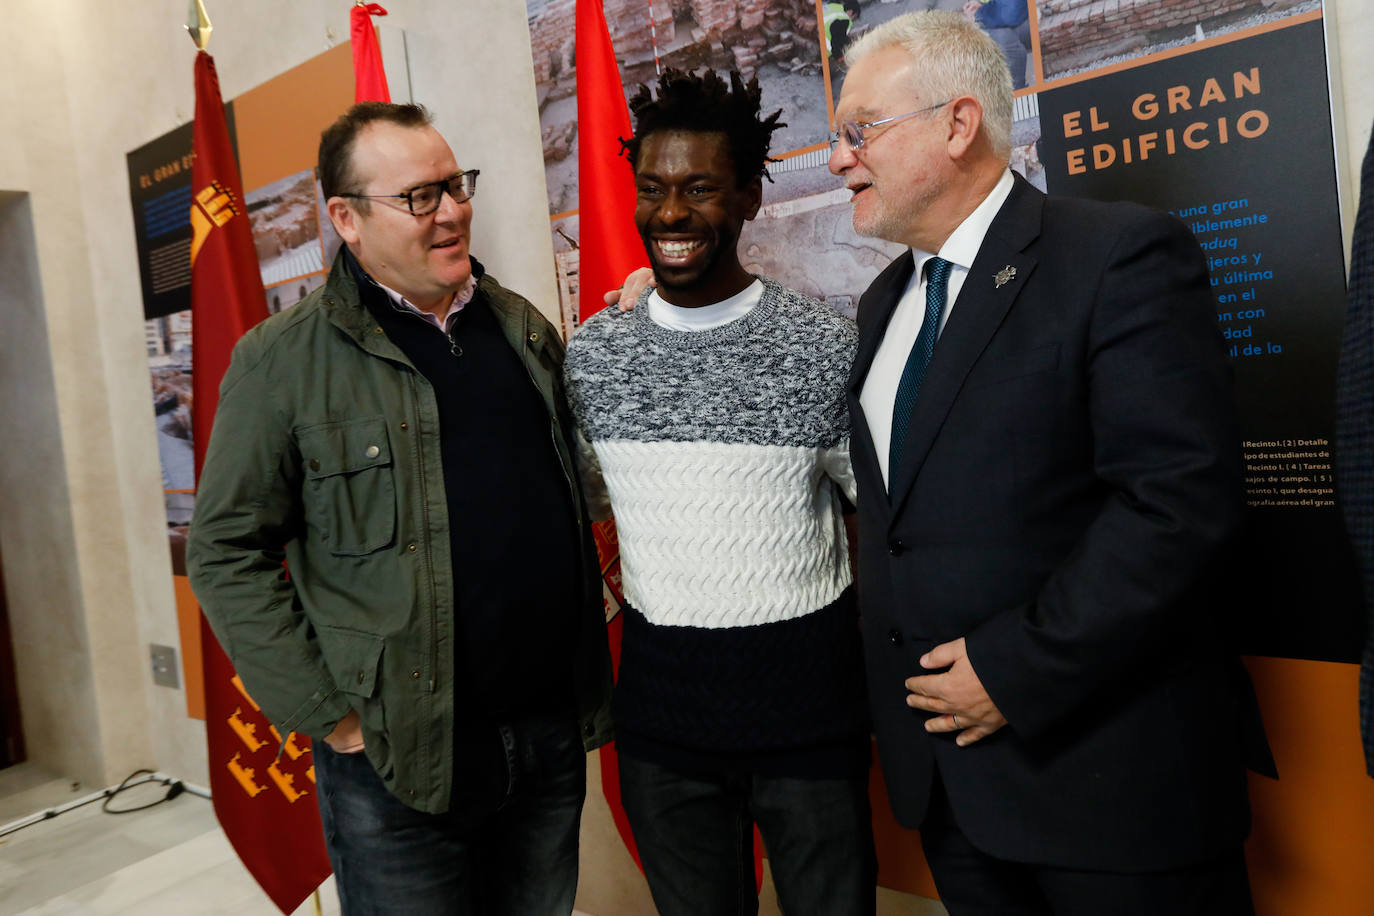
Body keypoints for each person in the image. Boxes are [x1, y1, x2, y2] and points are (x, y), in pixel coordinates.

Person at [823, 11, 1270, 913]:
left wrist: (1014, 669)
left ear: (957, 125)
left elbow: (1177, 506)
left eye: (858, 132)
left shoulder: (1114, 256)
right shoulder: (882, 306)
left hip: (1112, 791)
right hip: (953, 799)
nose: (839, 160)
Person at [186, 101, 612, 916]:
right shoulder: (281, 363)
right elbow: (224, 551)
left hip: (546, 736)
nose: (452, 212)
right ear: (345, 218)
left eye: (455, 186)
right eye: (420, 197)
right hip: (398, 760)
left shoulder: (521, 328)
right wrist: (331, 715)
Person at [565, 69, 876, 916]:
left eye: (700, 188)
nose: (670, 214)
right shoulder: (595, 356)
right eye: (654, 190)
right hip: (664, 723)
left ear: (747, 198)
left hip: (810, 712)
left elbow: (877, 512)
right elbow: (596, 503)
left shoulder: (822, 348)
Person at [824, 0, 863, 67]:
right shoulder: (844, 19)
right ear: (850, 12)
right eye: (854, 17)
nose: (853, 20)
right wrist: (839, 57)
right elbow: (837, 39)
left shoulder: (834, 6)